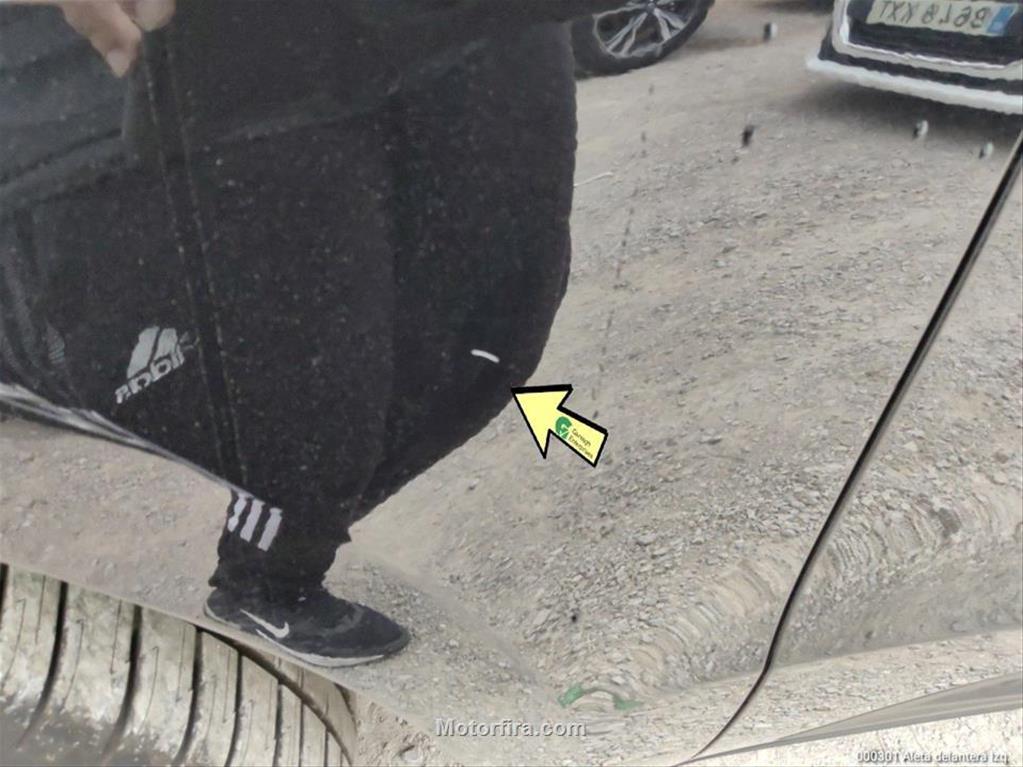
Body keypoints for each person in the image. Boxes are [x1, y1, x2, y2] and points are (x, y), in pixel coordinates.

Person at [0, 0, 617, 666]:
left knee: (491, 331)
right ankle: (269, 573)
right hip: (212, 41)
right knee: (309, 388)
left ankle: (282, 537)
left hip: (474, 21)